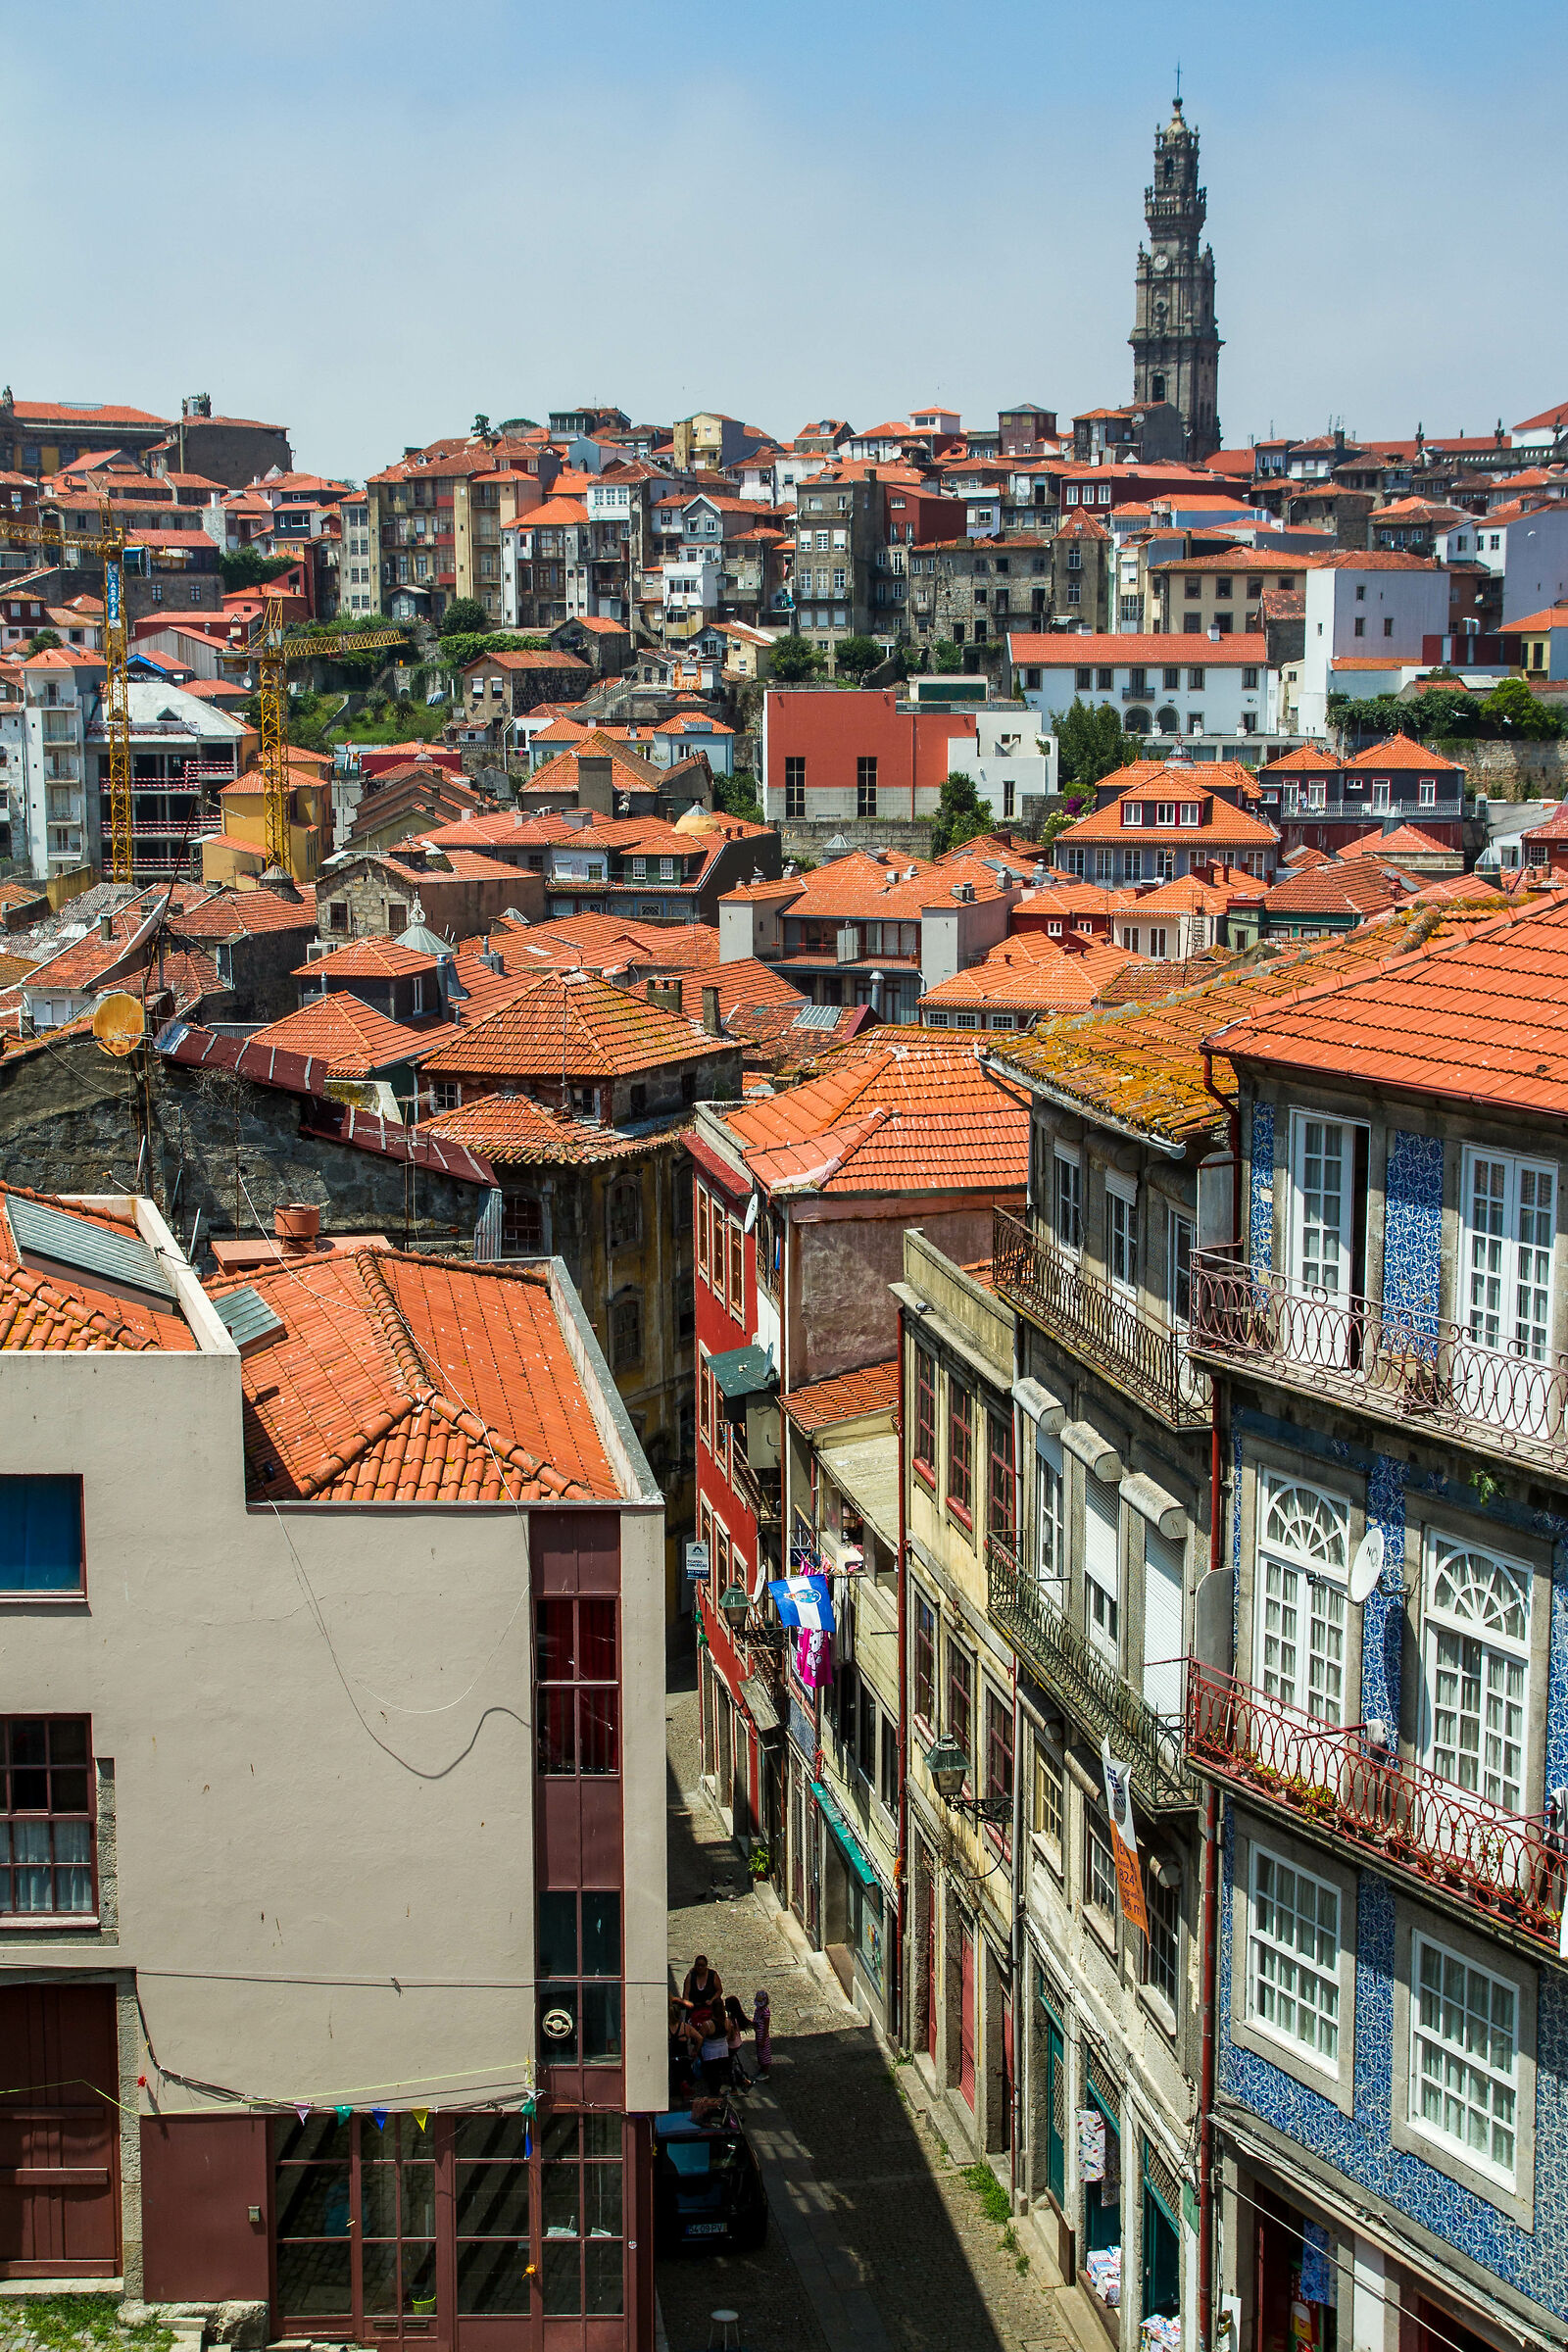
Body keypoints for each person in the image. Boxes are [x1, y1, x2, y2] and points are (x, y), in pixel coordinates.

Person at [723, 1994, 753, 2091]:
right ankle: (743, 2079)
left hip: (732, 2045)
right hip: (738, 2043)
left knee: (729, 2066)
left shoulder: (730, 2020)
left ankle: (741, 2082)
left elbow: (730, 2037)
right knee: (733, 2062)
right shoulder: (737, 2017)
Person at [752, 1988, 772, 2080]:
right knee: (759, 2054)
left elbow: (766, 2027)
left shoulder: (766, 2012)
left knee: (764, 2054)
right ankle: (761, 2069)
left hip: (763, 2036)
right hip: (758, 2034)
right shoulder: (757, 2010)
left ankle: (765, 2072)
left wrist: (763, 2039)